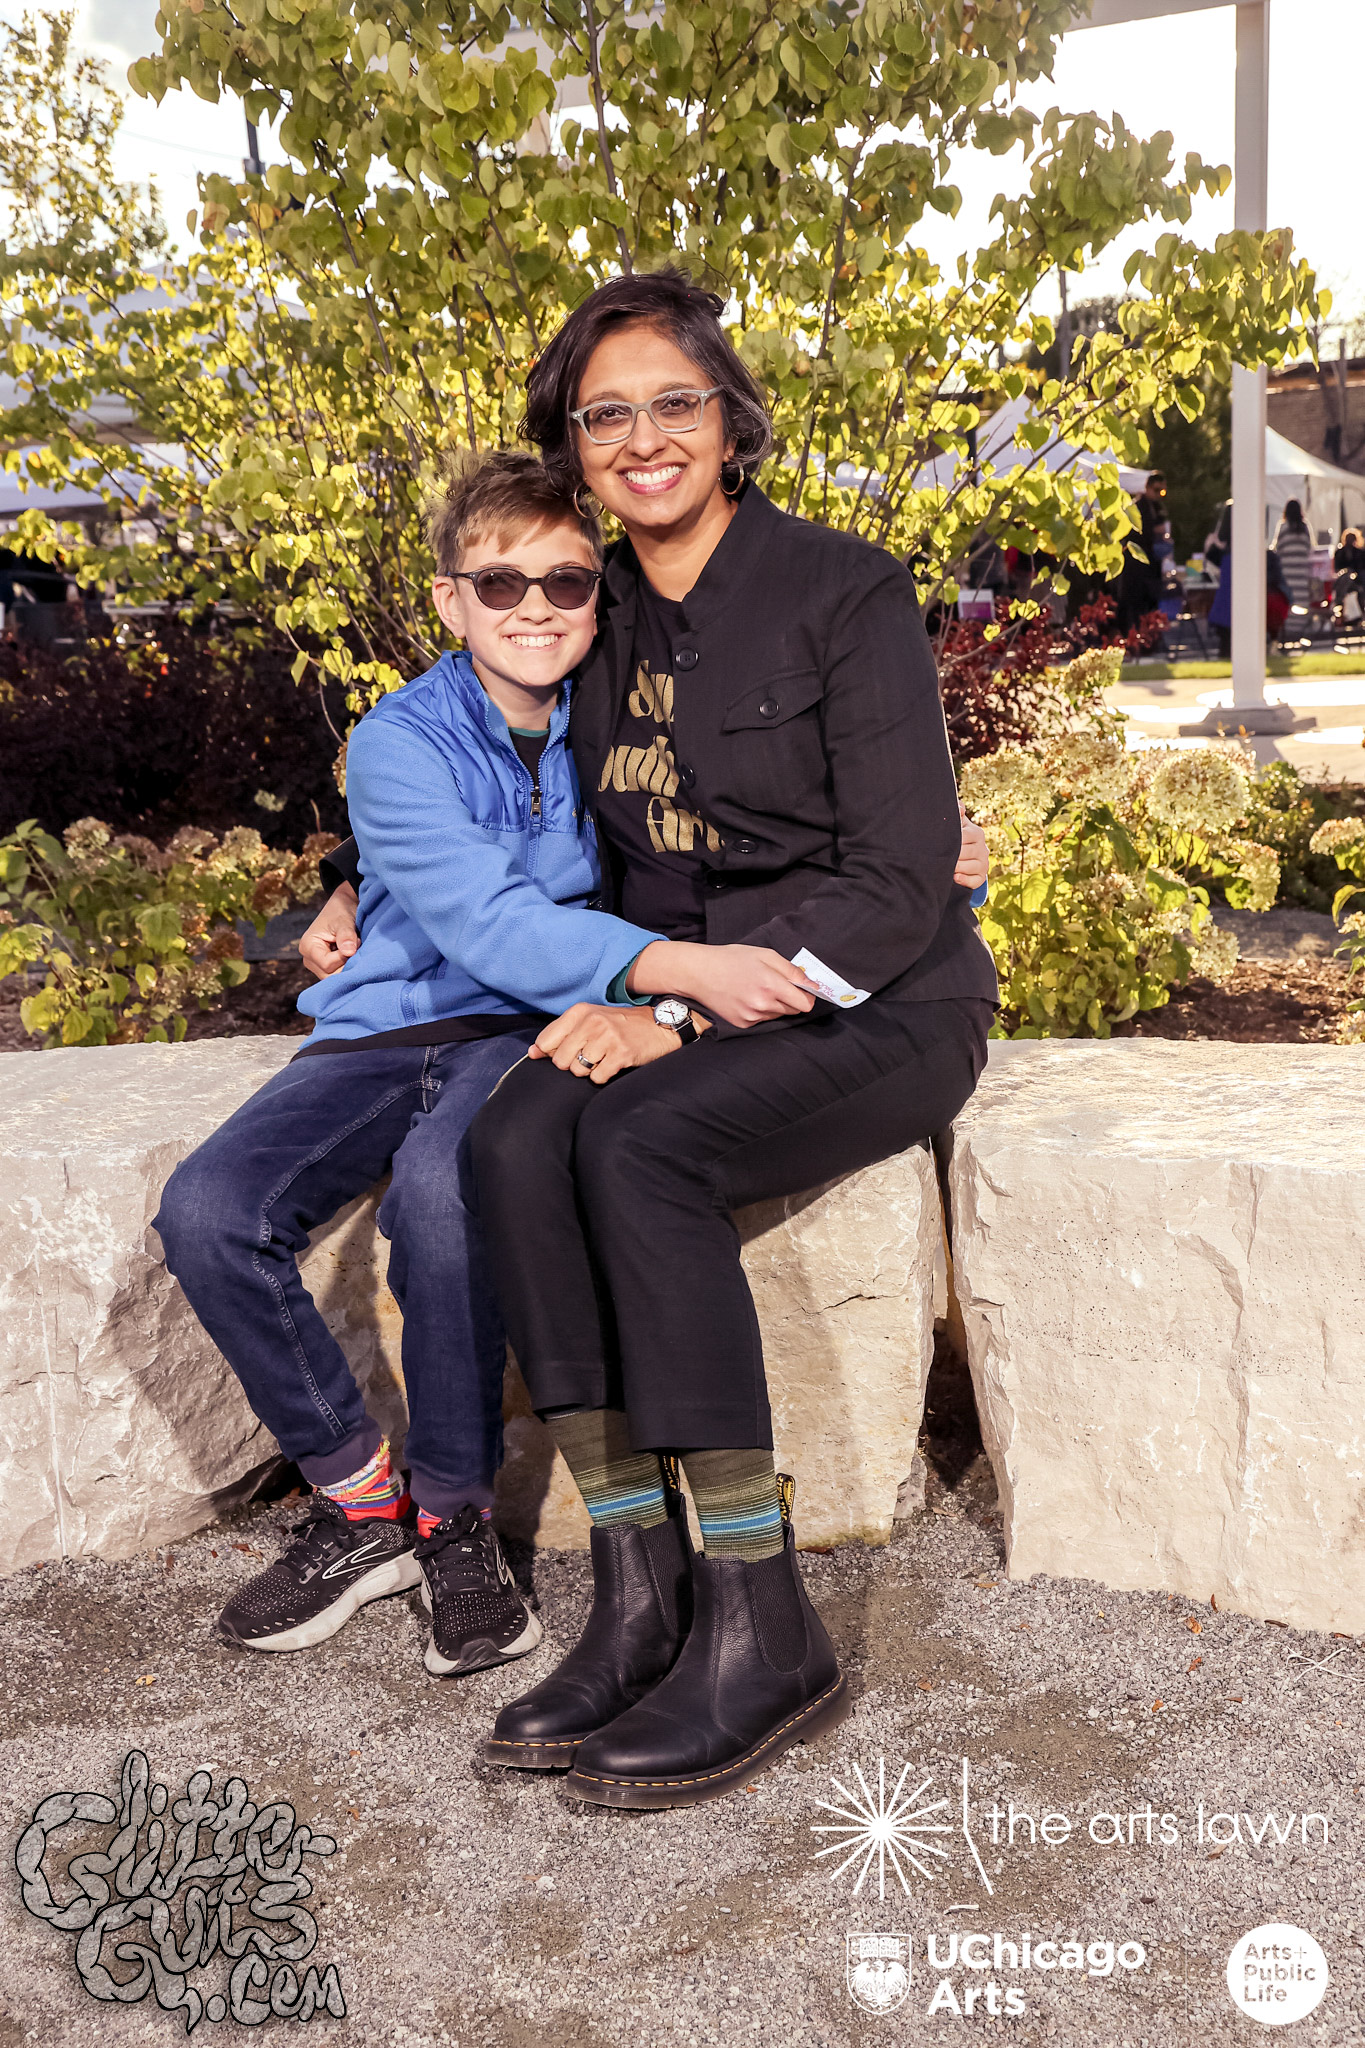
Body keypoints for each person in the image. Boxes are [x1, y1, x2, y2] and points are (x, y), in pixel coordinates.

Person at [373, 265, 992, 1810]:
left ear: (729, 422)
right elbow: (487, 767)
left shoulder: (845, 592)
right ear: (573, 449)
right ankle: (637, 1594)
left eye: (673, 404)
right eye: (606, 417)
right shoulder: (592, 613)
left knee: (644, 1144)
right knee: (519, 1137)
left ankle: (763, 1622)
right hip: (683, 994)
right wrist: (352, 885)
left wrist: (684, 1007)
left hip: (882, 998)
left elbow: (901, 878)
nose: (642, 439)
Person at [154, 451, 744, 1678]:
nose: (534, 607)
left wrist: (937, 857)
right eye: (500, 583)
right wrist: (677, 969)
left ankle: (454, 1515)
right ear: (450, 599)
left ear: (599, 595)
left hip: (525, 1031)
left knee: (444, 1194)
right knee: (208, 1208)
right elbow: (481, 915)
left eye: (566, 582)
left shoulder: (621, 713)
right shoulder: (399, 737)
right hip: (388, 1024)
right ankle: (358, 1498)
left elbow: (761, 821)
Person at [1273, 497, 1314, 610]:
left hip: (1287, 574)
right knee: (1302, 606)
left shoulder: (1283, 527)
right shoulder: (1304, 528)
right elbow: (1310, 548)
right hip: (1302, 574)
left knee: (1288, 604)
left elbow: (1277, 549)